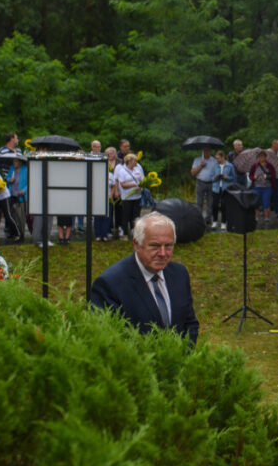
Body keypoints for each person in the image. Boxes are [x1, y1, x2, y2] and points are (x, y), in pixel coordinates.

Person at [90, 212, 199, 345]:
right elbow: (112, 340)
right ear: (137, 244)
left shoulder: (180, 274)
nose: (163, 253)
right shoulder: (110, 284)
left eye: (169, 246)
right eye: (155, 246)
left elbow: (189, 323)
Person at [114, 152, 144, 239]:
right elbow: (122, 184)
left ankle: (135, 233)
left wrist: (142, 185)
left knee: (136, 215)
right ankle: (125, 234)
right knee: (126, 215)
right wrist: (134, 185)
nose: (136, 162)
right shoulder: (122, 171)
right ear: (129, 161)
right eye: (134, 161)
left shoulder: (137, 169)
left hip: (137, 196)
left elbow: (142, 180)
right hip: (127, 197)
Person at [249, 150, 277, 225]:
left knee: (266, 203)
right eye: (260, 156)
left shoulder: (269, 166)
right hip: (257, 187)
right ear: (258, 158)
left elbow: (273, 176)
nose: (261, 158)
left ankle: (267, 217)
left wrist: (268, 176)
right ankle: (256, 217)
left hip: (267, 187)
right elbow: (250, 175)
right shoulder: (254, 166)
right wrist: (253, 177)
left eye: (263, 156)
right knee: (256, 203)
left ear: (265, 157)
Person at [191, 146, 218, 221]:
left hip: (211, 183)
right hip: (200, 182)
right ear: (202, 151)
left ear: (210, 151)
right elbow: (193, 173)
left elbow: (217, 172)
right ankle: (199, 218)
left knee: (210, 202)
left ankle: (208, 219)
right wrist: (201, 166)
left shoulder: (214, 161)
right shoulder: (197, 160)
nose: (206, 152)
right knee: (199, 202)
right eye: (205, 151)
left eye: (208, 150)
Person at [211, 150, 235, 230]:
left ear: (223, 157)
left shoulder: (230, 166)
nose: (217, 160)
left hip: (225, 188)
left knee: (224, 206)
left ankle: (224, 222)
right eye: (216, 158)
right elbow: (211, 177)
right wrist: (215, 177)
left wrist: (227, 177)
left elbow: (233, 178)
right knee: (214, 205)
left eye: (218, 158)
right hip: (216, 188)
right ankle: (214, 221)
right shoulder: (214, 166)